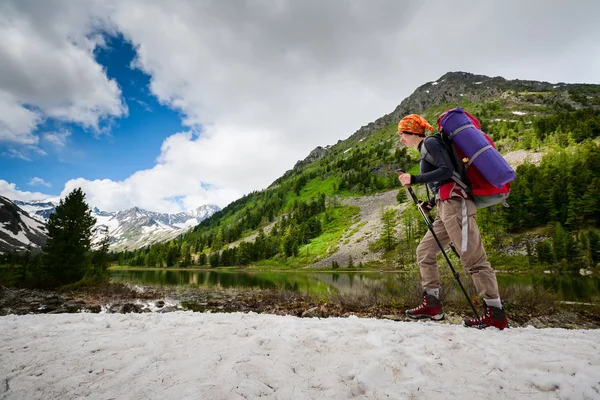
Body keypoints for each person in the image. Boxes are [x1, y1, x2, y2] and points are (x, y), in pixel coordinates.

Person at [396, 114, 508, 329]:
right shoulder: (426, 148)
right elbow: (444, 179)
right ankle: (433, 306)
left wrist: (415, 179)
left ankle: (495, 313)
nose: (401, 140)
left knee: (473, 259)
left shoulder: (429, 142)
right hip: (444, 207)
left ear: (412, 132)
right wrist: (430, 203)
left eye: (402, 134)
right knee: (425, 252)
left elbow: (446, 170)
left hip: (456, 205)